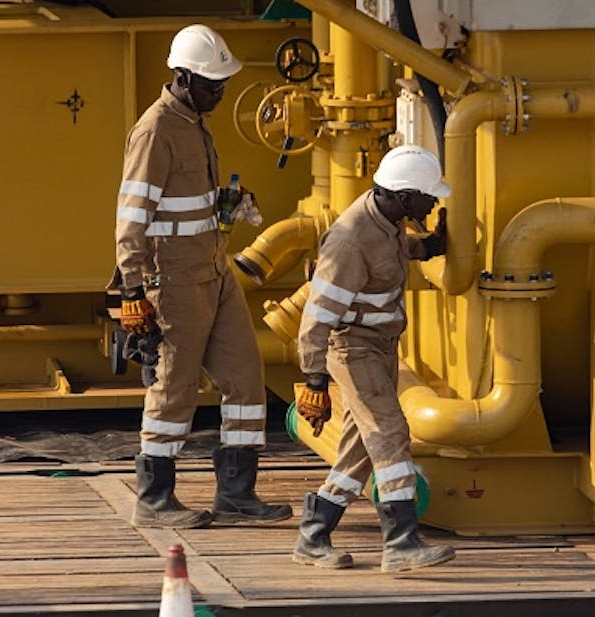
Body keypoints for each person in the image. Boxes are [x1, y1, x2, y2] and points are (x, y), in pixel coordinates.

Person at [112, 24, 291, 529]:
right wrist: (133, 289)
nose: (220, 93)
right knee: (174, 386)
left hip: (214, 269)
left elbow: (183, 203)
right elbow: (132, 216)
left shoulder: (194, 119)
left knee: (245, 379)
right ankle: (153, 498)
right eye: (212, 85)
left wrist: (226, 205)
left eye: (222, 85)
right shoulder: (155, 131)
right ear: (183, 78)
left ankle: (237, 494)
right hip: (174, 279)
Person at [292, 144, 455, 572]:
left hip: (380, 347)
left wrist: (430, 246)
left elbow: (391, 258)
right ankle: (401, 542)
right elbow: (317, 315)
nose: (433, 201)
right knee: (389, 432)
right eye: (427, 196)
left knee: (360, 450)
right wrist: (314, 381)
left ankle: (314, 534)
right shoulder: (350, 239)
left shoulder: (387, 219)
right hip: (354, 349)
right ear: (404, 196)